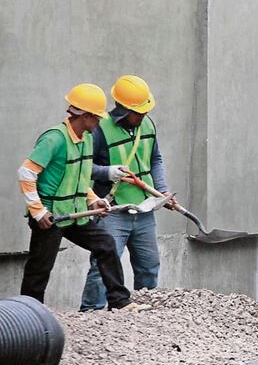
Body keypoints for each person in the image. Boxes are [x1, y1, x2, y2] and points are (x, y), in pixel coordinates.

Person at [19, 83, 148, 312]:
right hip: (51, 216)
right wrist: (38, 211)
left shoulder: (86, 138)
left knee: (105, 244)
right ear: (85, 116)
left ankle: (119, 301)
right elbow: (26, 173)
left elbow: (79, 178)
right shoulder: (54, 139)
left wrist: (93, 199)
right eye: (97, 117)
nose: (99, 122)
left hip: (74, 213)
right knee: (40, 268)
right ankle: (29, 313)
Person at [80, 75, 174, 311]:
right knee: (103, 267)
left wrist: (161, 190)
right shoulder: (99, 130)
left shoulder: (147, 125)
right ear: (123, 110)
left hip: (144, 208)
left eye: (145, 111)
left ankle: (143, 312)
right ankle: (91, 313)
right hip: (113, 210)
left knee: (149, 266)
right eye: (138, 112)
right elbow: (82, 167)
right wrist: (107, 172)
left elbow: (155, 159)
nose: (143, 116)